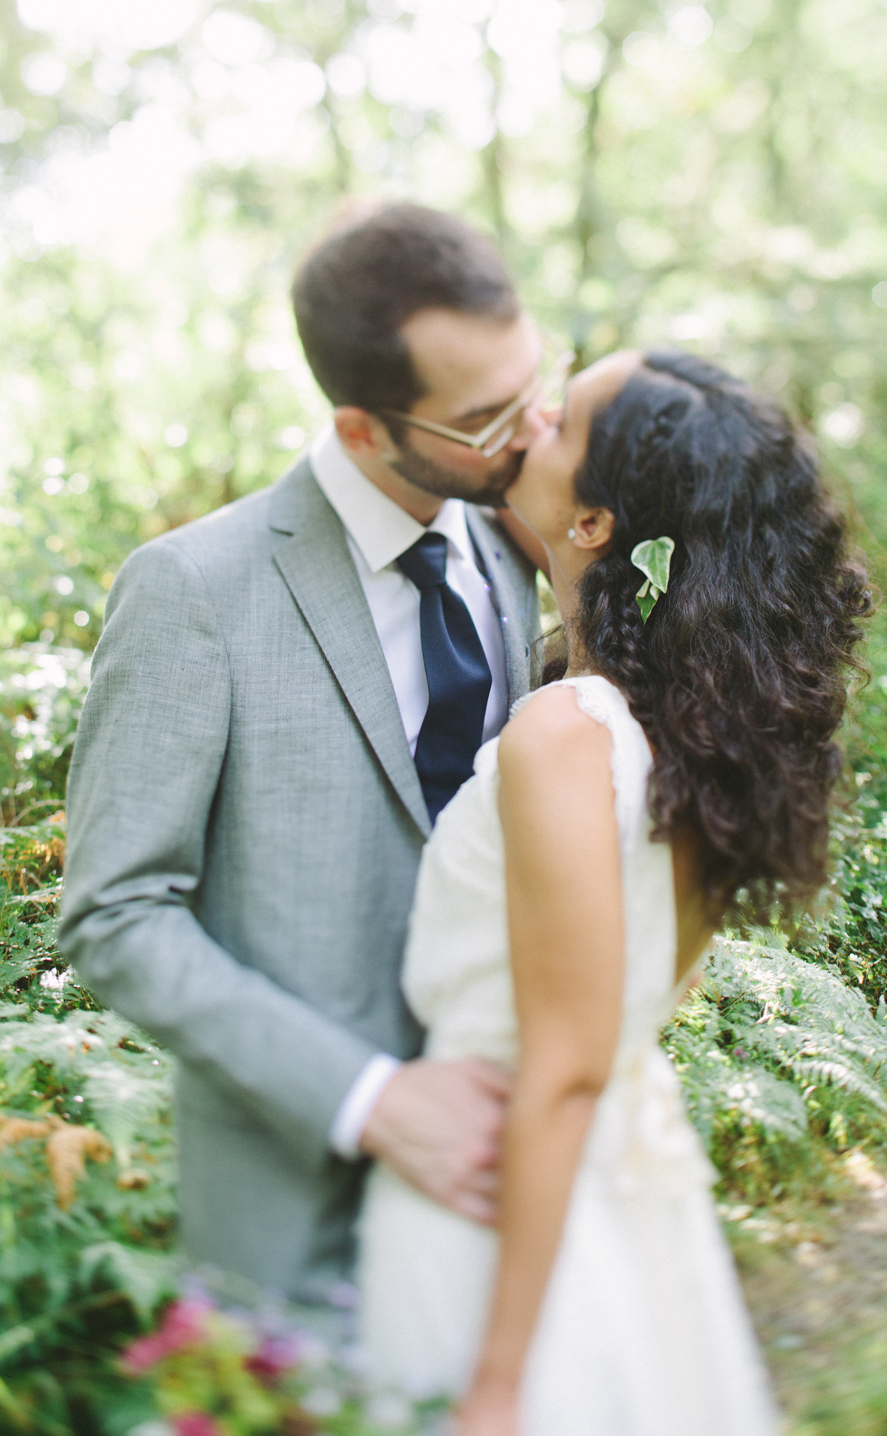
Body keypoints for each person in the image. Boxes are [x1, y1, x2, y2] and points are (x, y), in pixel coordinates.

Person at [358, 348, 870, 1434]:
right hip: (625, 1196)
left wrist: (497, 1383)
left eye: (560, 417)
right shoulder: (693, 748)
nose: (529, 412)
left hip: (501, 1210)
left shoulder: (568, 736)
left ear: (595, 522)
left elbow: (562, 1077)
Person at [57, 202, 547, 1297]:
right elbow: (115, 913)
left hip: (506, 1186)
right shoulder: (192, 591)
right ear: (363, 428)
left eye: (535, 381)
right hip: (292, 1214)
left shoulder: (515, 558)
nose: (532, 429)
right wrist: (370, 1099)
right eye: (485, 416)